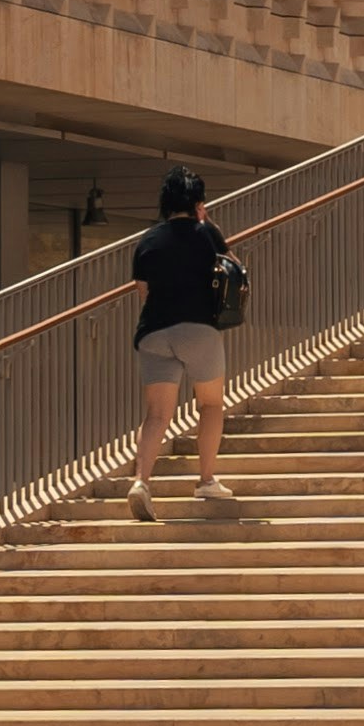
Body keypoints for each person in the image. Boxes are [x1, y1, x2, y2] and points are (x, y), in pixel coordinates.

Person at [123, 170, 235, 515]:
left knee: (157, 414)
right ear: (198, 203)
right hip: (199, 328)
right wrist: (210, 224)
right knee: (210, 405)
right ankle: (205, 480)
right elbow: (234, 269)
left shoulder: (148, 240)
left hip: (154, 331)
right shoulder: (206, 236)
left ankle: (142, 480)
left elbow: (144, 292)